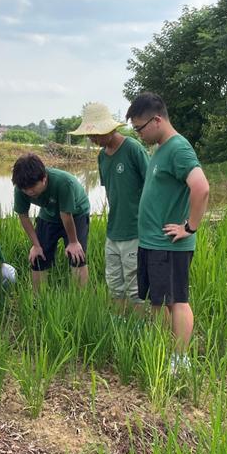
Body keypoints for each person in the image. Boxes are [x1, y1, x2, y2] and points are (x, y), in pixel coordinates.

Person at [127, 92, 209, 372]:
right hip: (153, 243)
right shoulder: (161, 148)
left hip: (169, 245)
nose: (138, 134)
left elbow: (201, 187)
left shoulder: (178, 148)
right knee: (159, 301)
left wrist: (190, 227)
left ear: (157, 120)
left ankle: (180, 359)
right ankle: (161, 351)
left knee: (177, 301)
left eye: (140, 128)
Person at [70, 102, 149, 309]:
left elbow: (152, 185)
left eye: (96, 134)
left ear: (110, 128)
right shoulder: (102, 156)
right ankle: (120, 325)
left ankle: (139, 328)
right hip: (113, 230)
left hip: (135, 229)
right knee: (114, 284)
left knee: (135, 287)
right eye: (90, 135)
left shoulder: (133, 148)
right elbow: (112, 192)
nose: (92, 139)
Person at [12, 153, 91, 290]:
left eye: (32, 187)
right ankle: (38, 299)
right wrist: (36, 245)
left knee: (77, 256)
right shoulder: (21, 188)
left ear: (44, 178)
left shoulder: (63, 182)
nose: (29, 192)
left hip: (76, 213)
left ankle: (80, 296)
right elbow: (23, 216)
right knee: (38, 257)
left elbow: (66, 214)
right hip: (49, 213)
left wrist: (73, 242)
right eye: (25, 189)